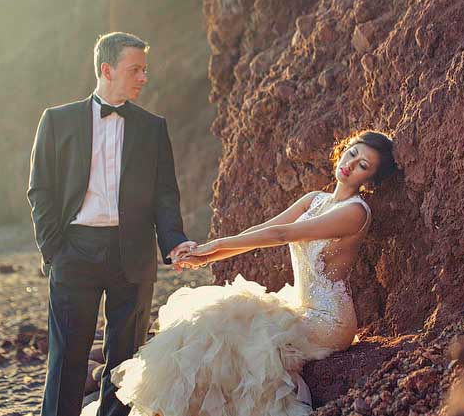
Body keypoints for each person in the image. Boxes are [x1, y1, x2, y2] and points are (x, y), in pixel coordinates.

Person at [84, 130, 397, 416]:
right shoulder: (315, 200)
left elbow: (281, 236)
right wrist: (205, 255)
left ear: (369, 179)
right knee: (213, 319)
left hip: (328, 320)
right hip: (300, 308)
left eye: (363, 166)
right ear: (344, 148)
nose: (351, 164)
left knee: (227, 324)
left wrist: (217, 244)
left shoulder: (355, 211)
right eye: (353, 153)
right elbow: (263, 229)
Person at [27, 31, 197, 416]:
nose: (143, 77)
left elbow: (165, 194)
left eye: (145, 69)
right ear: (107, 69)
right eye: (135, 69)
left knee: (126, 363)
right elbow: (41, 190)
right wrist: (53, 249)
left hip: (132, 254)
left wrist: (174, 242)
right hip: (74, 251)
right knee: (67, 359)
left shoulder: (153, 127)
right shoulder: (57, 120)